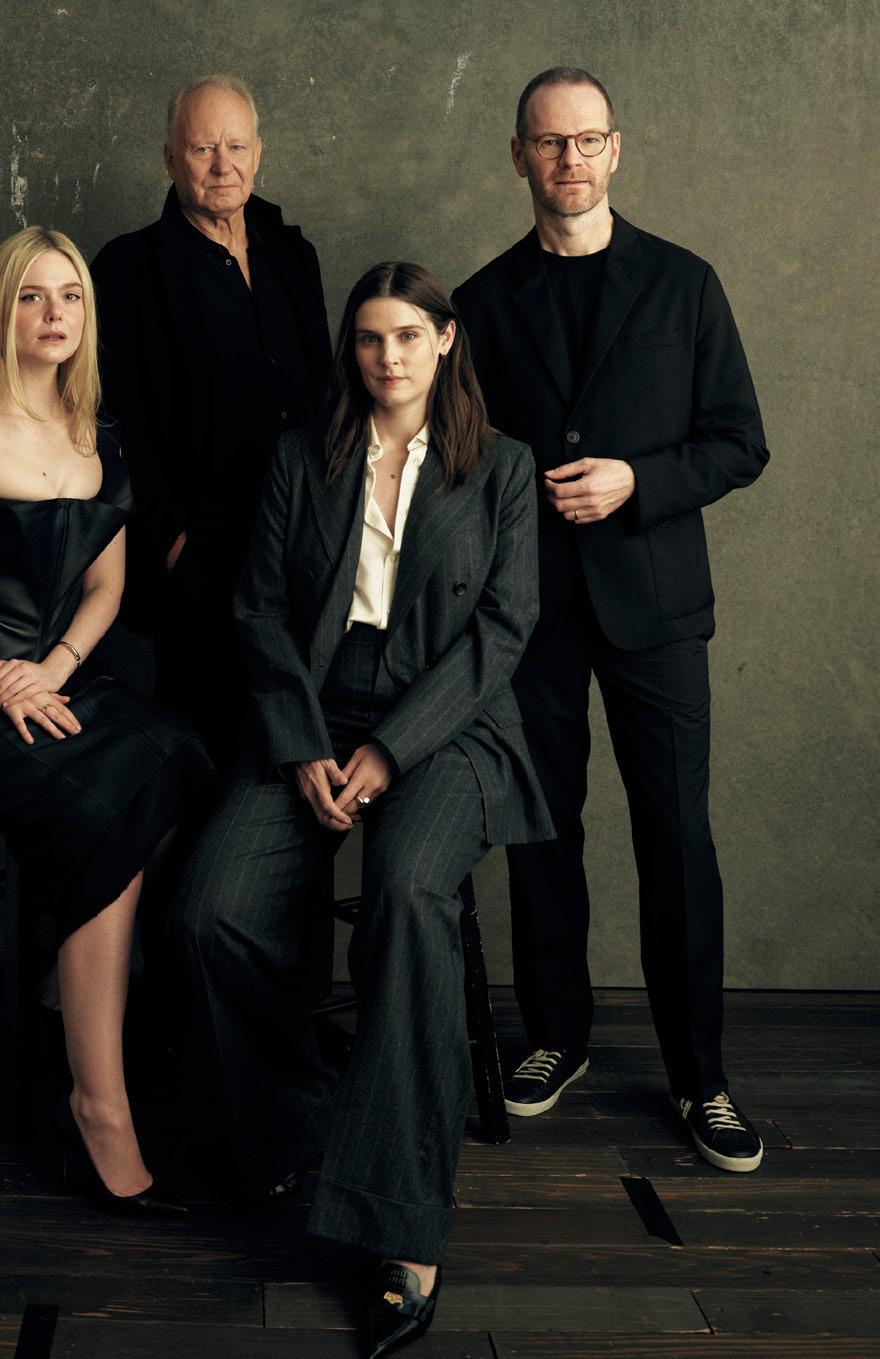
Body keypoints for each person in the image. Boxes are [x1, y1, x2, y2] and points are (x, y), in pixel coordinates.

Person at [177, 263, 552, 1355]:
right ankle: (294, 1131)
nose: (388, 357)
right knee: (207, 911)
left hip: (449, 722)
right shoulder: (306, 455)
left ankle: (403, 1228)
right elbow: (257, 608)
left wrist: (391, 750)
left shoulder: (504, 467)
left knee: (405, 894)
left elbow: (503, 628)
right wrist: (303, 745)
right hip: (311, 707)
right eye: (369, 338)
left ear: (445, 341)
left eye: (407, 336)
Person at [451, 67, 769, 1171]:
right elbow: (459, 459)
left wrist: (639, 480)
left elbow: (740, 441)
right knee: (544, 831)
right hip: (530, 609)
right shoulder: (481, 301)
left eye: (588, 140)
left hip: (658, 607)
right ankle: (557, 1036)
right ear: (519, 156)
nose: (570, 159)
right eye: (550, 142)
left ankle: (701, 1076)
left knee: (676, 837)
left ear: (616, 149)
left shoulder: (684, 283)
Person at [0, 226, 212, 1215]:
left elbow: (107, 589)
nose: (54, 314)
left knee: (180, 754)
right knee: (106, 799)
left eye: (70, 297)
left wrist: (51, 670)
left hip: (58, 679)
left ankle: (76, 982)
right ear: (0, 311)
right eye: (32, 296)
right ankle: (97, 1104)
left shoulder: (98, 437)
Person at [92, 74, 331, 766]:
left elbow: (326, 393)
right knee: (206, 750)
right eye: (202, 149)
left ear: (259, 153)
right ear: (170, 159)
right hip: (201, 557)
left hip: (304, 543)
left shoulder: (292, 254)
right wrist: (170, 540)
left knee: (304, 744)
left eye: (236, 146)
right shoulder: (129, 268)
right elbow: (111, 422)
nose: (223, 165)